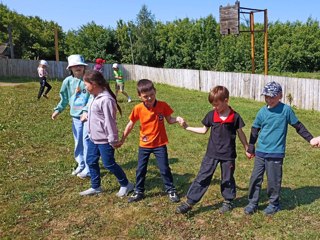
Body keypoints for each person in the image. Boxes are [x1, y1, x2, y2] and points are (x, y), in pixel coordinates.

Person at [244, 81, 319, 215]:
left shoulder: (286, 110)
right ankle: (252, 203)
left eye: (272, 96)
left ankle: (273, 204)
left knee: (273, 180)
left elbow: (298, 126)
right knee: (255, 178)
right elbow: (255, 129)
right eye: (266, 96)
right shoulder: (262, 111)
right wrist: (251, 147)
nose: (269, 99)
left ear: (280, 96)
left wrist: (311, 139)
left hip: (276, 153)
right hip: (261, 152)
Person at [176, 85, 249, 214]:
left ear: (226, 101)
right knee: (203, 176)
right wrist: (187, 127)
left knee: (227, 178)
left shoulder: (235, 117)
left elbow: (240, 133)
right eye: (213, 105)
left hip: (228, 155)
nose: (214, 108)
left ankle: (228, 201)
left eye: (217, 105)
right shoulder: (211, 115)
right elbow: (204, 130)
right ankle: (190, 202)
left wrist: (246, 147)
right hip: (212, 153)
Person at [121, 79, 183, 203]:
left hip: (160, 144)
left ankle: (171, 190)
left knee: (164, 168)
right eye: (145, 96)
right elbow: (130, 125)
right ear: (139, 96)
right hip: (144, 145)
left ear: (155, 91)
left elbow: (170, 120)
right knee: (141, 169)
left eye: (152, 95)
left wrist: (178, 119)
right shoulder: (138, 108)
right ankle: (139, 191)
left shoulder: (163, 105)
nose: (149, 98)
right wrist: (122, 139)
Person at [79, 70, 134, 196]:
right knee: (91, 161)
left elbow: (110, 122)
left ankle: (126, 184)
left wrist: (113, 139)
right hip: (93, 138)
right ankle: (96, 186)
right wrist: (87, 115)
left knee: (108, 164)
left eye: (86, 84)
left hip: (105, 140)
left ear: (93, 84)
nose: (85, 87)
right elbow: (96, 114)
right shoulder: (94, 97)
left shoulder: (106, 100)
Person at [51, 54, 91, 179]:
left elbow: (92, 97)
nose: (78, 67)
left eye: (80, 65)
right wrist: (58, 109)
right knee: (78, 141)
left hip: (88, 116)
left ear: (84, 67)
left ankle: (89, 168)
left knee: (87, 141)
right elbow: (64, 98)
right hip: (75, 117)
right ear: (70, 68)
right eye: (75, 66)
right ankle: (81, 163)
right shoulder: (67, 82)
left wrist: (86, 110)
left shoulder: (89, 80)